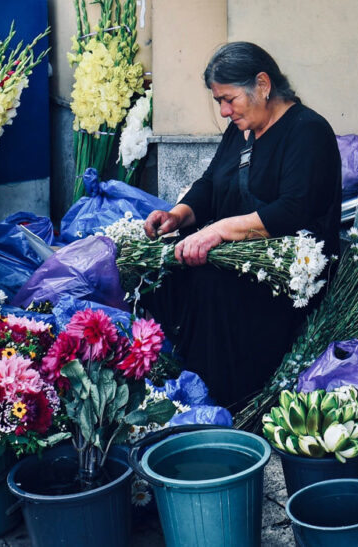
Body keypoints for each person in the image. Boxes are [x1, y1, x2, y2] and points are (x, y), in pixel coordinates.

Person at [143, 42, 341, 409]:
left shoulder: (308, 131)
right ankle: (188, 378)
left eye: (229, 99)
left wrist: (217, 231)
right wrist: (179, 215)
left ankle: (226, 397)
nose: (223, 111)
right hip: (240, 255)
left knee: (210, 283)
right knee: (164, 271)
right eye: (219, 100)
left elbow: (292, 211)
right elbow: (210, 182)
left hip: (289, 276)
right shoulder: (241, 130)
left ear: (263, 84)